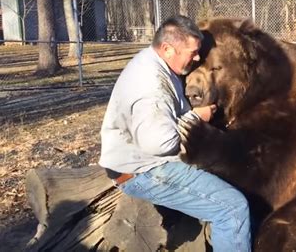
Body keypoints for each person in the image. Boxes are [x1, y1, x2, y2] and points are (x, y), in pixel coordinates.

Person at [99, 15, 251, 252]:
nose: (197, 57)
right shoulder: (150, 84)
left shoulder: (156, 63)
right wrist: (196, 118)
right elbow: (160, 144)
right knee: (232, 208)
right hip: (143, 171)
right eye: (192, 52)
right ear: (168, 49)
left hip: (145, 162)